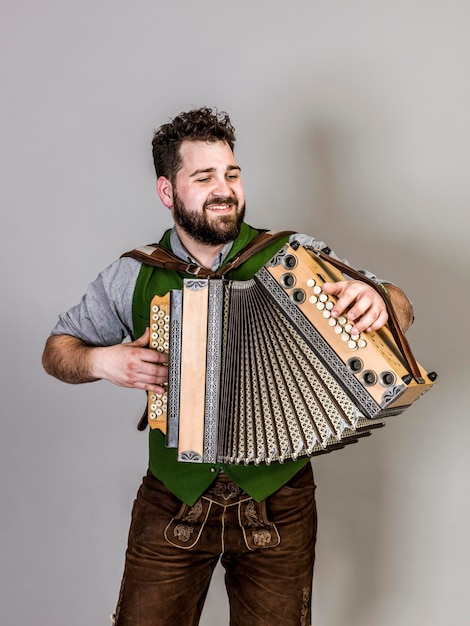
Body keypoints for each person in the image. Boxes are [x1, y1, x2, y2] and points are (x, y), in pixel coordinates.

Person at [42, 107, 414, 626]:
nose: (225, 189)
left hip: (279, 501)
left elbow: (399, 305)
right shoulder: (133, 274)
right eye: (204, 177)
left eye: (231, 174)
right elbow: (57, 351)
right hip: (174, 497)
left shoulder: (290, 255)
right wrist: (102, 360)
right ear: (167, 192)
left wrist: (378, 298)